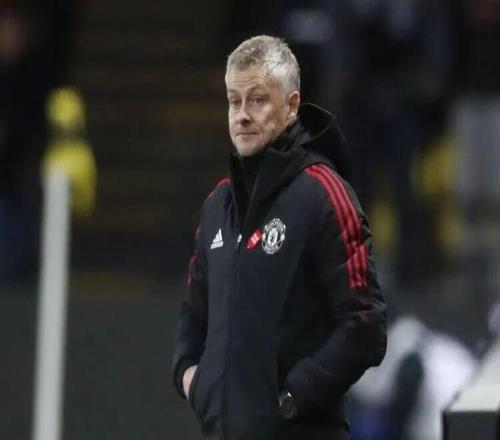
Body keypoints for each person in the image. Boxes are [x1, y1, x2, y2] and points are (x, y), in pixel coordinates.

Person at [172, 35, 387, 440]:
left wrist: (293, 397)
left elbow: (366, 326)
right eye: (234, 102)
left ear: (291, 106)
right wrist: (191, 378)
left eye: (257, 100)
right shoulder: (217, 205)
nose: (242, 116)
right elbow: (194, 311)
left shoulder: (324, 195)